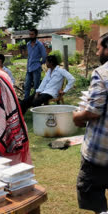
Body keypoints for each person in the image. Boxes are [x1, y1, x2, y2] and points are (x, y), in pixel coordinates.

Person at [73, 33, 108, 214]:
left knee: (94, 196)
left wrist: (77, 117)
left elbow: (93, 111)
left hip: (101, 154)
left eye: (99, 47)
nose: (97, 52)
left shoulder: (102, 73)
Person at [24, 28, 47, 99]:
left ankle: (35, 101)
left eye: (32, 34)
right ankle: (26, 101)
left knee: (36, 86)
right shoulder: (28, 44)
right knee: (27, 85)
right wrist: (27, 67)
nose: (31, 36)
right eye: (30, 34)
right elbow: (29, 57)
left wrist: (40, 63)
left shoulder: (39, 45)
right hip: (29, 68)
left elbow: (44, 56)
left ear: (36, 35)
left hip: (36, 68)